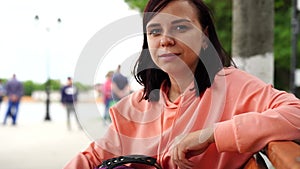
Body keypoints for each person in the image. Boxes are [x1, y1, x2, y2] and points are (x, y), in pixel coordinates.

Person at [64, 0, 300, 168]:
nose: (165, 40)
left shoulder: (233, 86)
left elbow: (296, 113)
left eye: (180, 27)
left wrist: (211, 135)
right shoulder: (132, 108)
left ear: (205, 37)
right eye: (155, 31)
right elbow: (93, 158)